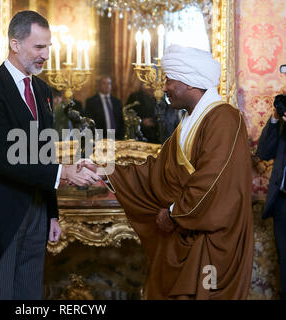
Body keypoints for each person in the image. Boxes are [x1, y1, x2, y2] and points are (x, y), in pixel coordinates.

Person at [84, 45, 254, 299]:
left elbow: (212, 183)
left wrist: (175, 213)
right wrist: (105, 171)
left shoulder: (225, 119)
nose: (164, 87)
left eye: (169, 79)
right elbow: (157, 169)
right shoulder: (189, 121)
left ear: (190, 83)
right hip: (187, 234)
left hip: (212, 241)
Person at [0, 11, 100, 300]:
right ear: (15, 44)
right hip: (1, 213)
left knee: (29, 295)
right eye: (39, 47)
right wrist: (64, 173)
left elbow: (45, 152)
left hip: (38, 212)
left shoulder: (42, 90)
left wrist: (51, 213)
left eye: (48, 47)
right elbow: (3, 157)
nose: (46, 55)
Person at [257, 103, 286, 298]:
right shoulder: (283, 123)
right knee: (285, 262)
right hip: (283, 204)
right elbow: (264, 152)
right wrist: (275, 118)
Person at [84, 76, 125, 140]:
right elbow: (90, 122)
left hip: (116, 138)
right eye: (104, 83)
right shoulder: (91, 102)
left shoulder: (117, 101)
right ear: (99, 85)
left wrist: (120, 137)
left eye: (109, 83)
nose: (107, 86)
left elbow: (121, 121)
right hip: (100, 138)